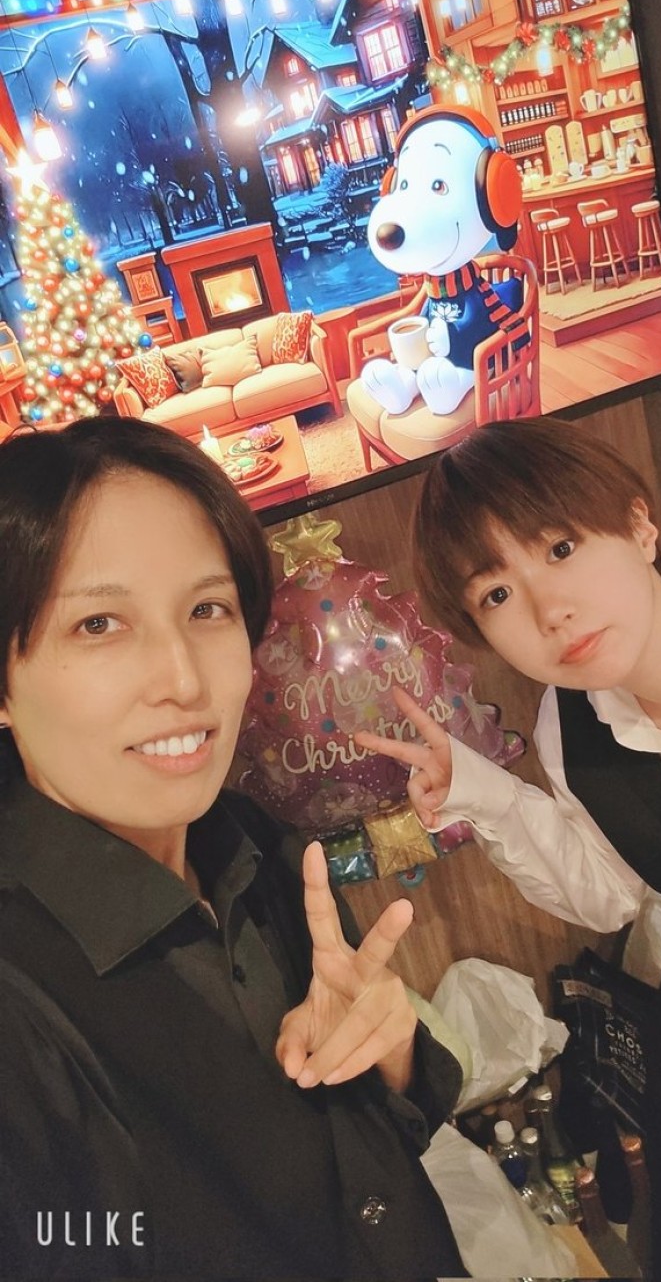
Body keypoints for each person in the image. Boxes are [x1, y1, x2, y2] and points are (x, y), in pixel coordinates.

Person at [0, 417, 466, 1281]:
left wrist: (390, 1051)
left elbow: (382, 1153)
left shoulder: (248, 839)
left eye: (207, 609)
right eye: (98, 623)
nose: (183, 678)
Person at [357, 416, 661, 1282]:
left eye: (560, 548)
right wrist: (480, 790)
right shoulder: (572, 722)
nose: (548, 611)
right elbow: (611, 892)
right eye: (495, 595)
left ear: (639, 523)